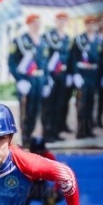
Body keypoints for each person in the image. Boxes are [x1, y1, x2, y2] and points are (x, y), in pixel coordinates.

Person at [8, 14, 50, 146]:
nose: (36, 25)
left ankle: (31, 135)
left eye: (38, 23)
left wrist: (47, 81)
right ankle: (25, 138)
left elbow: (45, 62)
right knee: (26, 110)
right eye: (33, 23)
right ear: (28, 24)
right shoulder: (19, 40)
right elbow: (11, 62)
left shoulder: (43, 42)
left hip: (40, 79)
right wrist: (19, 79)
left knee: (37, 109)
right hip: (26, 79)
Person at [69, 15, 102, 139]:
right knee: (81, 103)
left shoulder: (99, 40)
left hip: (93, 75)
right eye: (89, 24)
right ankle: (80, 130)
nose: (91, 26)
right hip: (82, 75)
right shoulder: (79, 39)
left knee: (91, 103)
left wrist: (101, 76)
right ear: (86, 25)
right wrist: (76, 74)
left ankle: (89, 129)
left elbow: (102, 60)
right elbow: (73, 58)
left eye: (93, 24)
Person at [42, 11, 73, 140]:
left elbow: (70, 58)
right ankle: (47, 133)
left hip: (62, 75)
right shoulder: (47, 36)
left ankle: (55, 132)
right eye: (59, 20)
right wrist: (46, 76)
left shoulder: (67, 38)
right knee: (49, 105)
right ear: (56, 21)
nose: (62, 22)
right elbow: (43, 57)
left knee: (59, 104)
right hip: (51, 75)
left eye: (64, 20)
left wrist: (71, 74)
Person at [23, 136, 60, 205]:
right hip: (29, 183)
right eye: (36, 151)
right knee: (20, 190)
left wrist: (55, 188)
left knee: (58, 193)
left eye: (40, 151)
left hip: (43, 184)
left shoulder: (49, 156)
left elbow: (58, 174)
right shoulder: (26, 156)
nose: (38, 153)